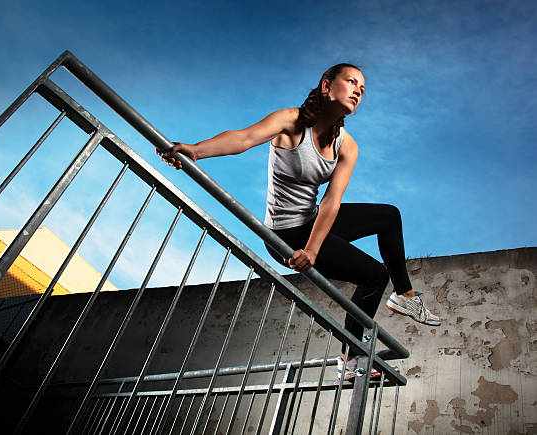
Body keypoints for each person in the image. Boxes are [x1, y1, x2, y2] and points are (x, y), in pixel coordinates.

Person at [159, 63, 441, 375]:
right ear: (327, 86)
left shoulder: (347, 146)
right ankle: (350, 359)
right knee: (374, 276)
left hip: (312, 224)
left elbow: (331, 202)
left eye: (363, 88)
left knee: (389, 216)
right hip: (285, 237)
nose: (359, 90)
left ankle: (405, 295)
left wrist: (315, 250)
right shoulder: (291, 121)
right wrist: (195, 151)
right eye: (351, 82)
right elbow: (242, 138)